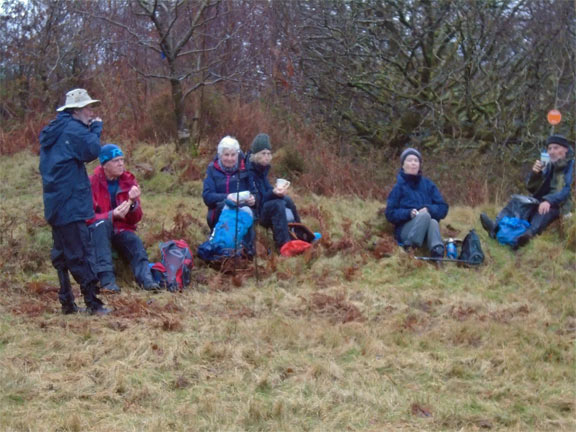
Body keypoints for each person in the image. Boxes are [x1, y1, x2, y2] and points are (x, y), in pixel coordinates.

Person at [39, 88, 109, 315]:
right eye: (88, 108)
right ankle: (93, 304)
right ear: (76, 110)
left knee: (61, 254)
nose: (91, 112)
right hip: (70, 202)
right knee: (80, 252)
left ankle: (67, 303)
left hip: (55, 201)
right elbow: (91, 150)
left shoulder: (55, 129)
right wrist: (96, 128)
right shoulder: (73, 129)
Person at [87, 144, 160, 292]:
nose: (121, 164)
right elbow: (87, 217)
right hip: (98, 230)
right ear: (105, 164)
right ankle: (107, 282)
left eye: (122, 160)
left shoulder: (129, 182)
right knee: (101, 226)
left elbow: (136, 219)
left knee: (134, 242)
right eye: (116, 161)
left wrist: (133, 204)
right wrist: (110, 215)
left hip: (121, 229)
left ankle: (147, 281)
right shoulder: (91, 183)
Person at [480, 135, 574, 248]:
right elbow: (531, 188)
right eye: (549, 148)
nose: (552, 152)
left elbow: (566, 190)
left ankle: (526, 236)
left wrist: (549, 201)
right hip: (540, 200)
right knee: (516, 202)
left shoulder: (571, 165)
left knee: (543, 211)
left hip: (560, 204)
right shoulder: (548, 164)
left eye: (556, 148)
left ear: (565, 149)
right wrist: (536, 174)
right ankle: (495, 227)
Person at [385, 148, 449, 258]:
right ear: (403, 165)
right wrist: (409, 213)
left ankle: (437, 250)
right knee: (425, 216)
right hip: (406, 231)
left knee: (432, 220)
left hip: (427, 229)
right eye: (409, 160)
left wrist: (429, 209)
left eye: (416, 160)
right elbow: (390, 213)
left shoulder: (429, 185)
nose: (413, 163)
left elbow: (443, 208)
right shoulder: (398, 188)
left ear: (419, 165)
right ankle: (410, 247)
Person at [247, 133, 303, 254]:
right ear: (256, 155)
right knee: (277, 204)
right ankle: (284, 245)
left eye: (268, 154)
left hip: (263, 208)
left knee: (286, 199)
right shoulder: (250, 173)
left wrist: (277, 192)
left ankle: (300, 233)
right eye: (263, 154)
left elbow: (266, 192)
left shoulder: (262, 170)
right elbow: (258, 199)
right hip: (256, 213)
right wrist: (273, 193)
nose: (267, 157)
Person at [202, 136, 255, 229]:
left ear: (237, 155)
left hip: (243, 209)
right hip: (219, 210)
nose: (230, 158)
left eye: (233, 155)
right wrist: (226, 197)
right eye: (226, 155)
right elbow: (207, 196)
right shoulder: (212, 169)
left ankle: (245, 243)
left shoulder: (246, 168)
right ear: (220, 155)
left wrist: (254, 199)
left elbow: (254, 191)